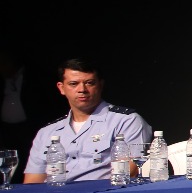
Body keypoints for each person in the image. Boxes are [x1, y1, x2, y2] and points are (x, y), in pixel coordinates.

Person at [22, 56, 152, 184]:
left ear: (100, 85)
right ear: (61, 88)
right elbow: (32, 183)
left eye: (89, 83)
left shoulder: (126, 121)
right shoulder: (47, 132)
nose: (82, 90)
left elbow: (129, 172)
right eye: (73, 84)